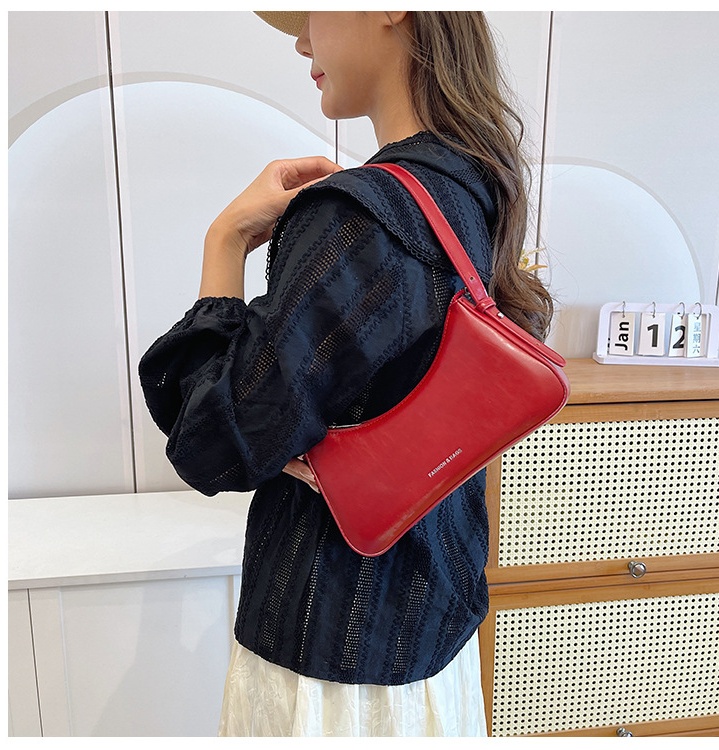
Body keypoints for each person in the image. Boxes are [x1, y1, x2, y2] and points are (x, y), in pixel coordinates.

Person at [139, 10, 553, 737]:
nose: (302, 41)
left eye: (309, 13)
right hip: (436, 628)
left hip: (331, 656)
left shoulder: (361, 217)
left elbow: (215, 444)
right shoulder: (473, 188)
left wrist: (225, 240)